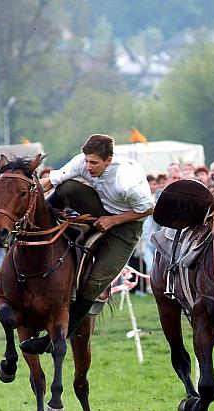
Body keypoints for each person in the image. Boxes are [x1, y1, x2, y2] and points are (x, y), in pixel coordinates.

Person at [34, 134, 154, 345]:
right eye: (87, 161)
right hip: (101, 209)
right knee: (67, 186)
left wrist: (113, 221)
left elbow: (148, 208)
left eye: (94, 163)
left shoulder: (127, 180)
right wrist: (25, 192)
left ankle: (55, 339)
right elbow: (50, 181)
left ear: (109, 159)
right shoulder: (82, 162)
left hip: (127, 225)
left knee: (94, 284)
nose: (88, 167)